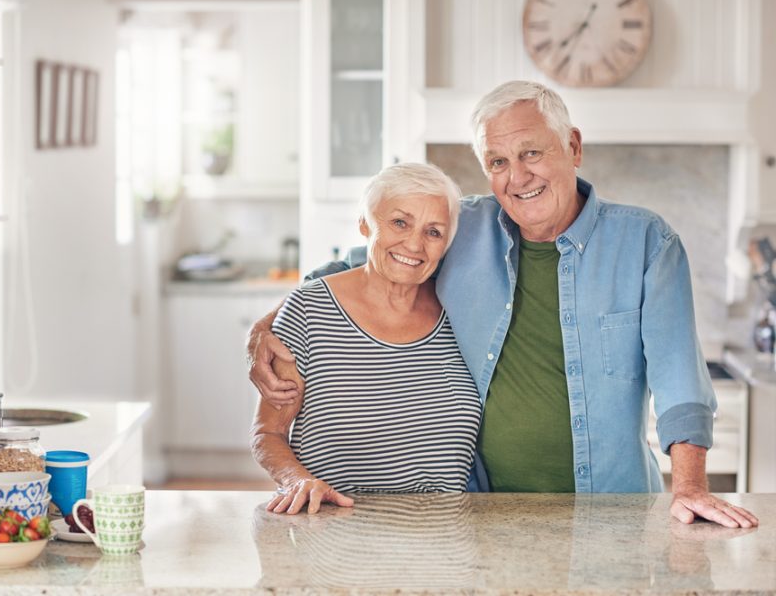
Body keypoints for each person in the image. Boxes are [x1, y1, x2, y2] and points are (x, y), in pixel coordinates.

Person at [248, 81, 758, 529]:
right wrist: (269, 326)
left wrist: (689, 486)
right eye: (498, 162)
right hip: (485, 516)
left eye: (531, 153)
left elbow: (679, 380)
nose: (518, 177)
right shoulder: (462, 229)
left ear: (573, 146)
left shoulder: (647, 242)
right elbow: (370, 261)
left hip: (611, 515)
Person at [250, 162, 482, 515]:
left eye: (434, 232)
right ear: (364, 223)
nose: (415, 243)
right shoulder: (309, 310)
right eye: (399, 222)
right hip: (332, 533)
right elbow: (268, 433)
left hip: (443, 541)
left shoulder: (463, 314)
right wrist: (296, 479)